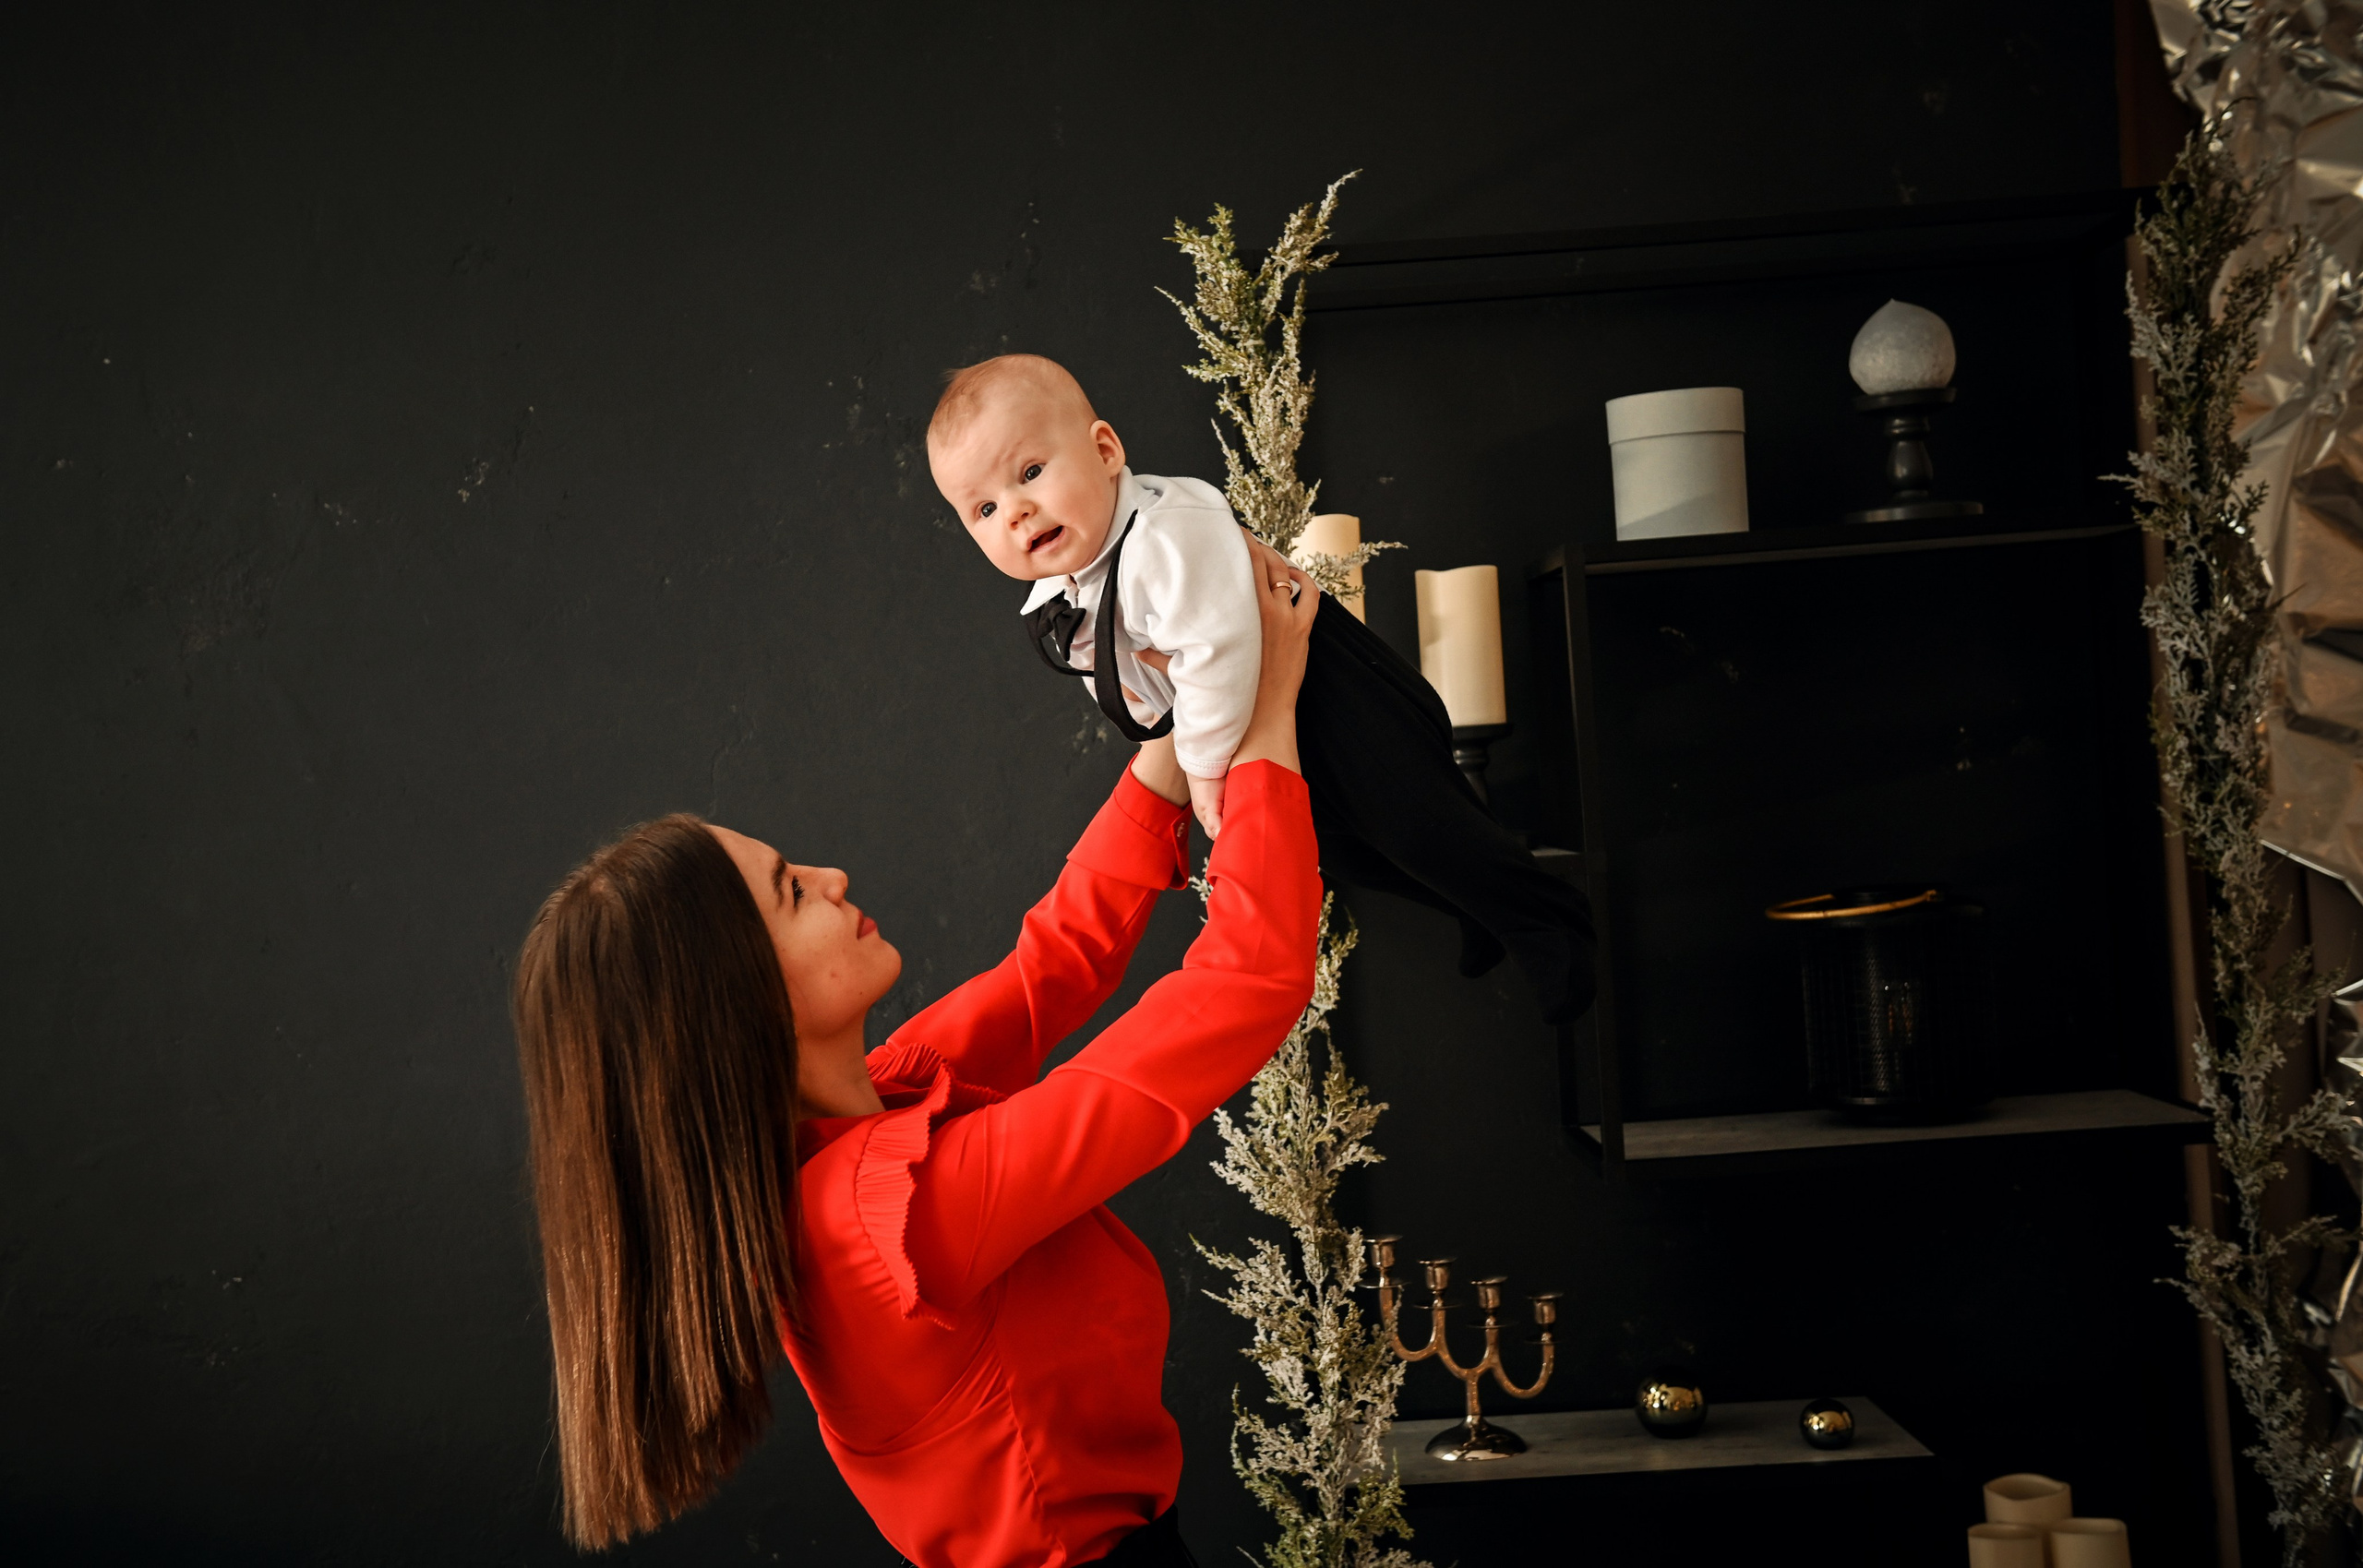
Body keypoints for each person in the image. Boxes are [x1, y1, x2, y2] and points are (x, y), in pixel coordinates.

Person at [510, 542, 1323, 1566]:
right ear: (741, 1003)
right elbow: (1243, 985)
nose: (835, 873)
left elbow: (1058, 958)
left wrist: (1199, 685)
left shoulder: (877, 1107)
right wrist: (1271, 714)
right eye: (791, 891)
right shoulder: (892, 1218)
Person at [926, 353, 1596, 1028]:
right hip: (1262, 714)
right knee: (1347, 848)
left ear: (1104, 450)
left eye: (1031, 473)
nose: (1014, 511)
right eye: (983, 507)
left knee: (1419, 825)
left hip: (1331, 690)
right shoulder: (1074, 580)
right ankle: (1474, 904)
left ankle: (1550, 920)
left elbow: (1218, 652)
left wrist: (1206, 772)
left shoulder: (1164, 534)